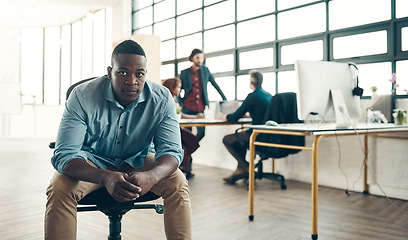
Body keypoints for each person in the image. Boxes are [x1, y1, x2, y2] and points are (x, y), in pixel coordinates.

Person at [45, 40, 192, 240]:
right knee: (59, 187)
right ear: (109, 72)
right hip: (94, 161)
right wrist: (105, 177)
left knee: (177, 182)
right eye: (123, 72)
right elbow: (64, 156)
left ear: (145, 74)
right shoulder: (82, 96)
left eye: (139, 73)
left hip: (138, 159)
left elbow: (172, 152)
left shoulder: (162, 98)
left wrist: (152, 176)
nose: (132, 81)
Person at [216, 70, 272, 182]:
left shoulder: (252, 96)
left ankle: (246, 166)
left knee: (228, 139)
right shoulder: (269, 95)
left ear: (251, 82)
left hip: (256, 135)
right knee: (239, 140)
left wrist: (222, 116)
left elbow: (233, 117)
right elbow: (261, 113)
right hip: (269, 135)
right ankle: (240, 169)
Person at [178, 48, 227, 141]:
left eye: (201, 58)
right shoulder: (184, 73)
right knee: (187, 135)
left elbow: (215, 85)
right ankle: (188, 153)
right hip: (187, 108)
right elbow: (178, 90)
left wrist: (224, 99)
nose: (200, 60)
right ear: (192, 59)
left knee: (201, 133)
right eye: (197, 57)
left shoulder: (206, 71)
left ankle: (189, 150)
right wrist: (181, 103)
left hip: (200, 108)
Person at [163, 77, 200, 179]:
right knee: (191, 139)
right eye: (179, 87)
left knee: (188, 142)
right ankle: (184, 166)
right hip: (169, 129)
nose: (180, 89)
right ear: (172, 88)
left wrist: (195, 117)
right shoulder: (166, 99)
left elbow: (179, 115)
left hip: (174, 127)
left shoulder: (173, 100)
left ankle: (185, 166)